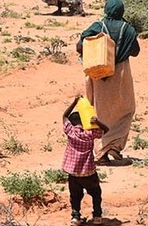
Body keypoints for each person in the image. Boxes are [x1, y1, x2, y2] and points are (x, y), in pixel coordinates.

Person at [76, 0, 140, 163]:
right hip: (120, 75)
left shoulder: (98, 26)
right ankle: (113, 146)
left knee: (98, 111)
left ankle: (101, 150)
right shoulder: (129, 29)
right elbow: (135, 51)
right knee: (126, 110)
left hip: (99, 74)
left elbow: (81, 42)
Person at [62, 95, 109, 226]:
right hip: (88, 172)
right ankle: (97, 216)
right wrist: (96, 122)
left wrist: (74, 102)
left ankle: (76, 217)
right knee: (96, 193)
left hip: (73, 173)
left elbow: (64, 116)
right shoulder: (90, 133)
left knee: (75, 196)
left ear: (72, 123)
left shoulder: (70, 131)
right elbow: (106, 130)